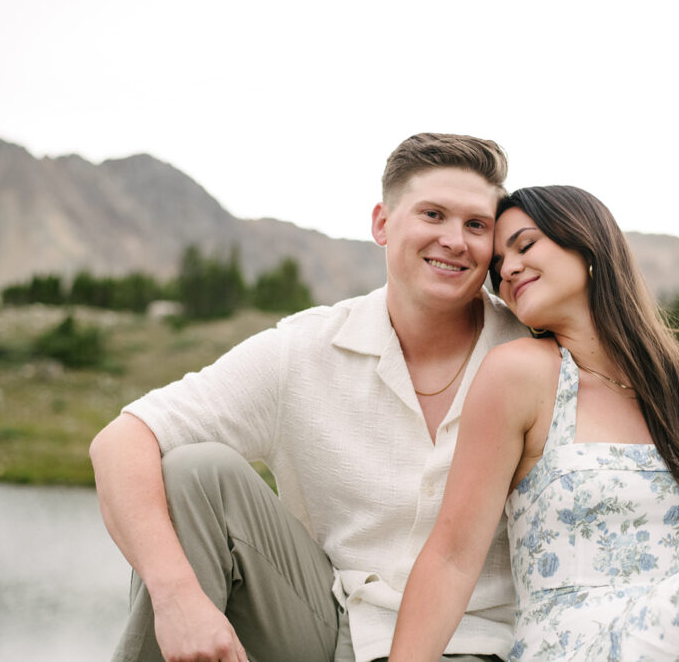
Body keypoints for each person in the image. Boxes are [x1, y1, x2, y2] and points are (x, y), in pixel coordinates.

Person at [89, 133, 531, 662]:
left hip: (486, 644)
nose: (455, 240)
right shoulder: (303, 349)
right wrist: (177, 596)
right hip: (335, 628)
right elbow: (121, 439)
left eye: (476, 225)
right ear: (382, 224)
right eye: (433, 215)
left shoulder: (533, 350)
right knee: (195, 472)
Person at [389, 186, 679, 661]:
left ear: (587, 245)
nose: (507, 270)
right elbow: (452, 557)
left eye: (525, 246)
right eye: (499, 266)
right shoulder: (520, 375)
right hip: (575, 646)